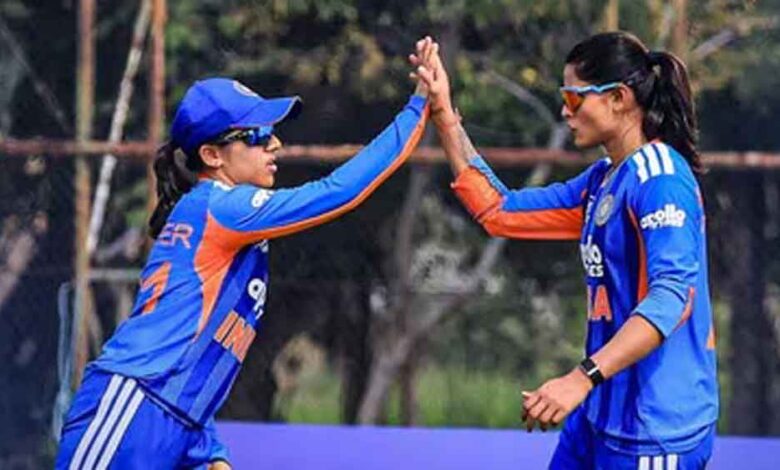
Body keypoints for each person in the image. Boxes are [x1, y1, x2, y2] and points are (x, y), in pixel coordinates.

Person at [55, 75, 429, 469]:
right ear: (212, 155)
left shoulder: (231, 224)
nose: (275, 144)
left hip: (181, 420)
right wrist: (418, 108)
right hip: (135, 409)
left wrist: (209, 447)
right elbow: (337, 191)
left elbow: (195, 350)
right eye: (258, 135)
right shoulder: (222, 207)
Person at [411, 32, 717, 469]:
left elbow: (671, 298)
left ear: (618, 98)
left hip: (653, 432)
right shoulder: (603, 180)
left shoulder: (661, 179)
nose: (564, 112)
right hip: (598, 419)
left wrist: (581, 378)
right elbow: (497, 210)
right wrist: (443, 112)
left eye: (573, 98)